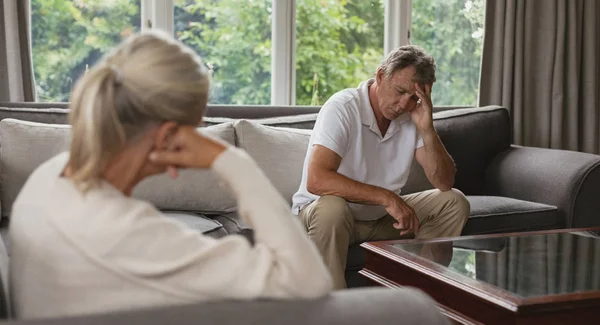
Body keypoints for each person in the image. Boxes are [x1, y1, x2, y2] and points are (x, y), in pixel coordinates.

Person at [9, 31, 332, 319]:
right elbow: (308, 281)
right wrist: (236, 164)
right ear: (168, 136)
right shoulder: (128, 234)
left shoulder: (48, 176)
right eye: (196, 127)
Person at [292, 45, 470, 289]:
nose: (403, 104)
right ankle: (331, 311)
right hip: (325, 218)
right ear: (380, 76)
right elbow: (317, 179)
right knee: (333, 207)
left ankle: (423, 296)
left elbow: (444, 182)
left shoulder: (411, 115)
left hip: (379, 220)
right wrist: (387, 198)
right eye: (399, 91)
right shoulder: (343, 107)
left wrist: (427, 128)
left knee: (453, 201)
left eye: (414, 97)